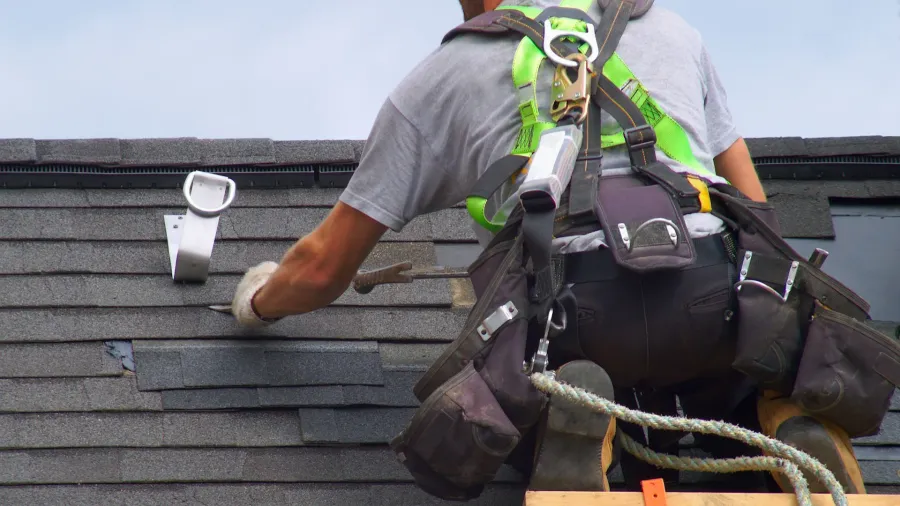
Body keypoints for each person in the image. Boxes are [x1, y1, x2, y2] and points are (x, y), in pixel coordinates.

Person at [228, 0, 866, 496]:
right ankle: (781, 422)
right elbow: (758, 217)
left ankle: (573, 427)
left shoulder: (441, 78)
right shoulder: (674, 33)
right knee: (746, 356)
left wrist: (257, 303)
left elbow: (321, 267)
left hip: (576, 318)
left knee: (524, 372)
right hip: (714, 303)